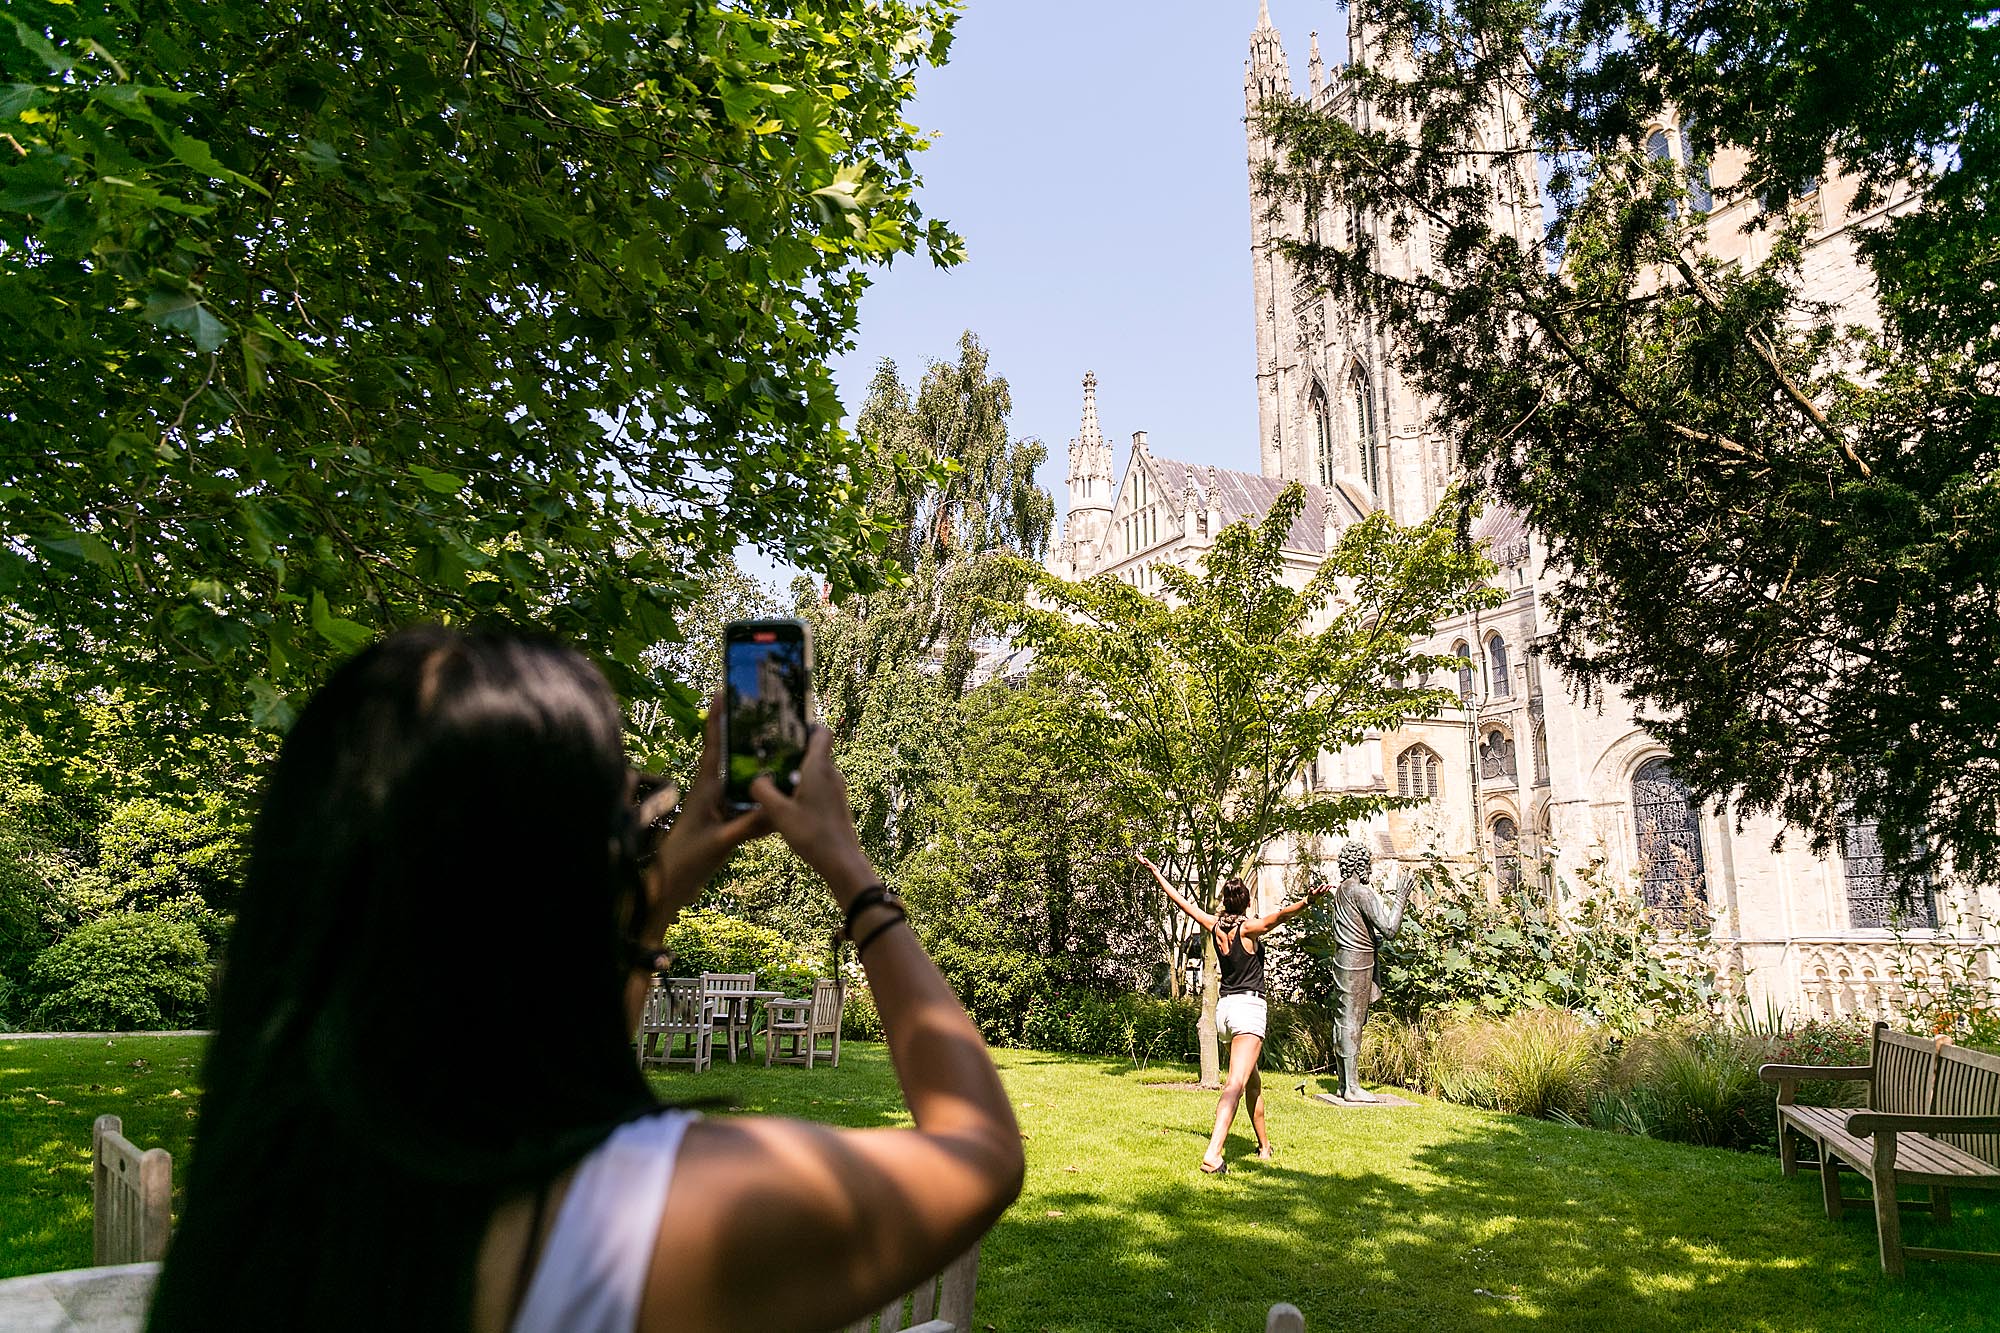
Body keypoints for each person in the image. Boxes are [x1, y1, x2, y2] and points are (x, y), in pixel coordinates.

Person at [147, 628, 1023, 1333]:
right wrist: (851, 870)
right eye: (626, 805)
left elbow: (551, 1057)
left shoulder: (266, 1196)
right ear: (561, 883)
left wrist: (656, 888)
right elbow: (977, 1154)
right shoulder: (654, 1222)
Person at [1136, 853, 1328, 1173]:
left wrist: (1158, 873)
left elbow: (1183, 902)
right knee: (1235, 1084)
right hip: (1248, 1010)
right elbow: (1281, 915)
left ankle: (1265, 1146)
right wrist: (1308, 900)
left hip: (1224, 1014)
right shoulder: (1249, 929)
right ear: (1246, 902)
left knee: (1252, 1081)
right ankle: (1213, 1153)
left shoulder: (1214, 925)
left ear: (1225, 901)